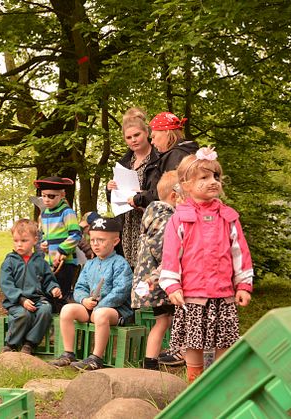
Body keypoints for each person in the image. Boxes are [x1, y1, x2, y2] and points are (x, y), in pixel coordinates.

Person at [159, 147, 253, 383]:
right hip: (193, 295)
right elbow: (171, 254)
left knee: (224, 339)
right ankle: (195, 380)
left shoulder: (228, 216)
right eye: (204, 177)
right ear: (186, 184)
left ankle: (220, 382)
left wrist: (243, 284)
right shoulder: (180, 218)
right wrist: (172, 286)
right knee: (194, 340)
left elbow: (239, 251)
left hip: (223, 293)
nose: (213, 182)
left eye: (216, 177)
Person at [51, 217, 133, 371]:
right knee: (67, 310)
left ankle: (96, 358)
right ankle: (68, 353)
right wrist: (83, 300)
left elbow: (121, 291)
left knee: (101, 314)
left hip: (115, 311)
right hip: (91, 308)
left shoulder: (120, 263)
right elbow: (80, 287)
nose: (95, 244)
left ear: (115, 241)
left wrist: (100, 306)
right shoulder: (90, 264)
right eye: (92, 239)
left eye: (101, 240)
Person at [131, 171, 182, 370]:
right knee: (165, 320)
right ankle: (152, 361)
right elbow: (163, 249)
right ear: (174, 196)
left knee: (164, 320)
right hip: (160, 281)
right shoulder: (166, 218)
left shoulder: (153, 214)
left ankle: (152, 360)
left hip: (152, 279)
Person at [106, 108, 159, 267]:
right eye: (128, 137)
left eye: (137, 135)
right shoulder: (124, 163)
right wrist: (110, 189)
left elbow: (160, 192)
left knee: (150, 265)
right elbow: (114, 200)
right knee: (130, 267)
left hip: (149, 220)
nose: (133, 140)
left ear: (147, 133)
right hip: (127, 223)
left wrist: (142, 196)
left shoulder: (158, 159)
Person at [0, 219, 62, 354]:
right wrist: (21, 299)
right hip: (16, 302)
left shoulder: (40, 261)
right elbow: (6, 283)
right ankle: (11, 344)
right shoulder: (10, 261)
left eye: (24, 240)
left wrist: (53, 288)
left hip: (37, 300)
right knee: (24, 314)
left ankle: (30, 343)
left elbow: (48, 280)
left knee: (46, 310)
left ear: (35, 240)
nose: (19, 245)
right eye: (16, 241)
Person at [129, 111, 199, 209]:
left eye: (153, 136)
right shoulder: (185, 153)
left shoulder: (176, 155)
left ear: (166, 131)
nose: (152, 142)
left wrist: (139, 199)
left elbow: (169, 190)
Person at [35, 176, 82, 312]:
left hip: (65, 263)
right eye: (43, 196)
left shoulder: (67, 212)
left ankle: (66, 323)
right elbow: (44, 235)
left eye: (51, 196)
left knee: (62, 294)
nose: (46, 200)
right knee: (49, 294)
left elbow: (76, 234)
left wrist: (62, 250)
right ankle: (51, 327)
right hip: (49, 263)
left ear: (62, 195)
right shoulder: (44, 214)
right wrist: (43, 244)